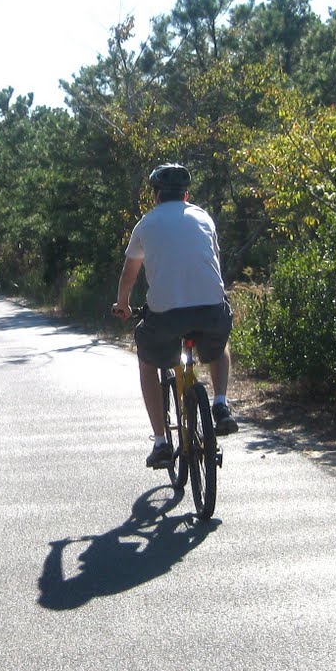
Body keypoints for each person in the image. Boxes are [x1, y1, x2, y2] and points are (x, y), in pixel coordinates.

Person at [109, 163, 239, 468]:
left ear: (155, 196)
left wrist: (123, 304)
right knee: (219, 343)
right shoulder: (203, 217)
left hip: (166, 316)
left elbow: (129, 274)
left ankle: (161, 443)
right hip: (210, 308)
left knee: (147, 360)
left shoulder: (146, 224)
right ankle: (220, 404)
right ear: (186, 195)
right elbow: (213, 260)